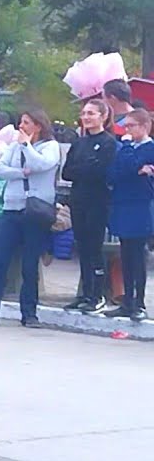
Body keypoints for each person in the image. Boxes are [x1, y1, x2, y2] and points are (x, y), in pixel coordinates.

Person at [0, 109, 61, 328]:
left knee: (29, 264)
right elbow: (0, 169)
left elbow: (41, 165)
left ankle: (29, 313)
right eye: (20, 122)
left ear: (38, 126)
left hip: (35, 210)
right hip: (12, 208)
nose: (21, 127)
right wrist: (21, 172)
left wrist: (27, 146)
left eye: (26, 123)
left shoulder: (49, 146)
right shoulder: (14, 147)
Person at [61, 98, 118, 314]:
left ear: (103, 116)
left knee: (94, 248)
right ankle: (85, 293)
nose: (86, 117)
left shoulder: (108, 143)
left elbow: (100, 171)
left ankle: (98, 294)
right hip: (78, 199)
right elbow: (67, 172)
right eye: (84, 113)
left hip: (97, 201)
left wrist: (84, 168)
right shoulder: (79, 143)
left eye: (91, 113)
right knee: (82, 247)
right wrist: (85, 167)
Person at [104, 109, 154, 320]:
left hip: (140, 205)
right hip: (123, 203)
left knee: (137, 255)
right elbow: (114, 173)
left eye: (131, 126)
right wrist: (132, 167)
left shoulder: (149, 148)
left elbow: (132, 164)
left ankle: (139, 302)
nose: (126, 131)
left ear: (143, 126)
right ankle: (127, 300)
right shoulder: (126, 149)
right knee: (125, 254)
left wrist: (127, 151)